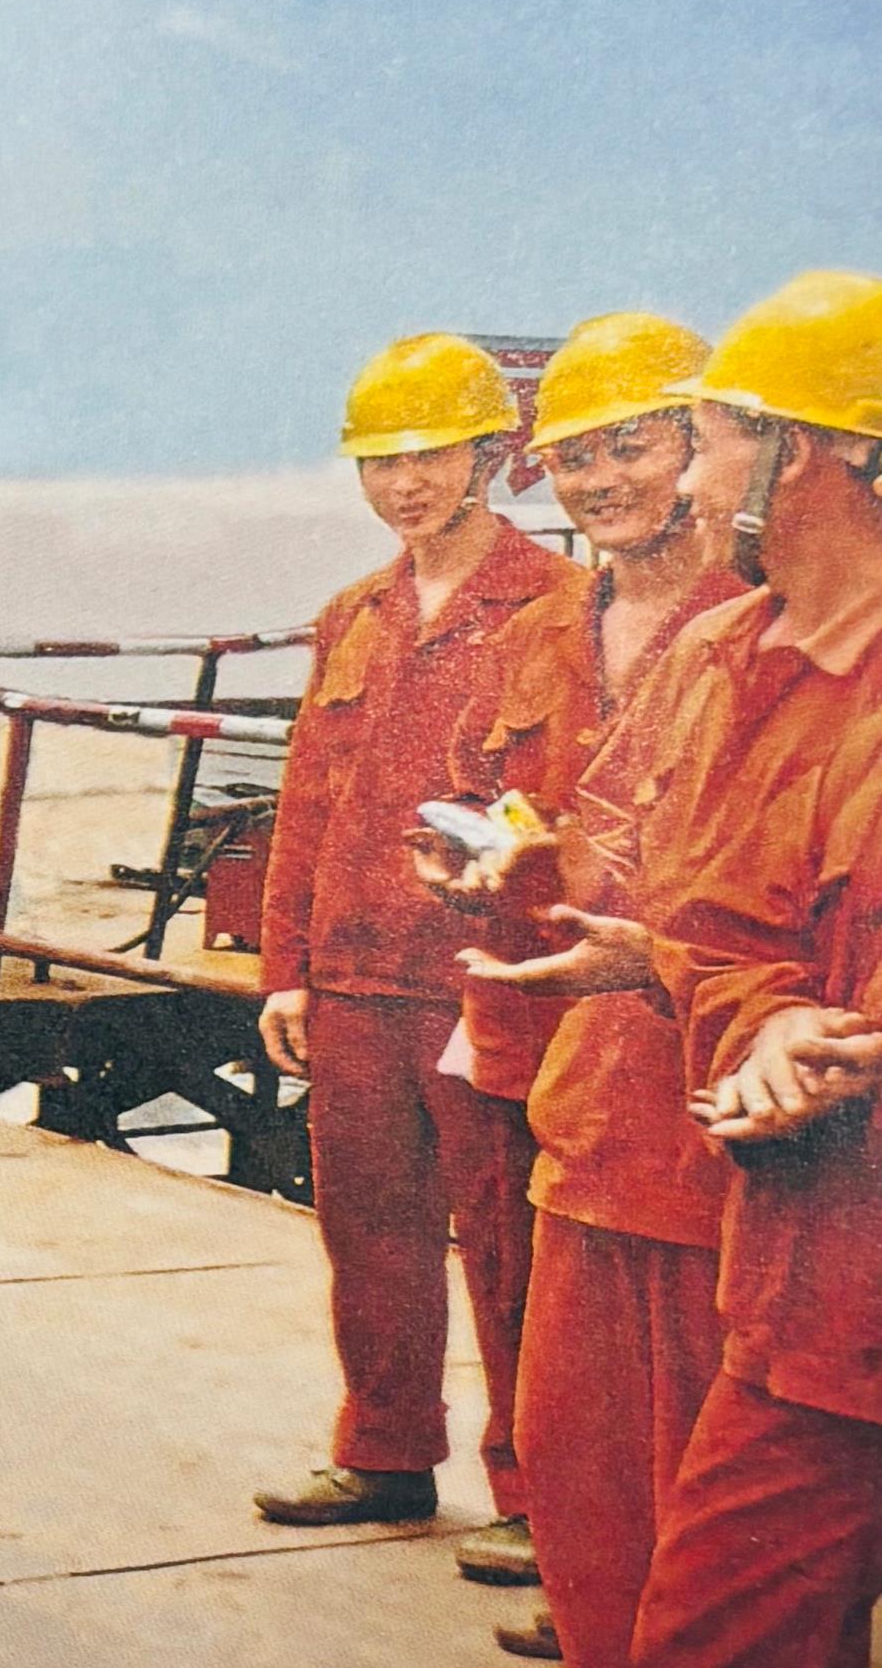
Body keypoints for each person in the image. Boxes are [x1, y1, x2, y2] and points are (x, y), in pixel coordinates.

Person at [473, 271, 882, 1668]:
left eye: (692, 442)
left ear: (805, 452)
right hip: (777, 1243)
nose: (687, 484)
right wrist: (652, 958)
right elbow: (717, 919)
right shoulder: (730, 650)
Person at [424, 313, 740, 1663]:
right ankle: (599, 1592)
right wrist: (474, 860)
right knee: (574, 1394)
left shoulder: (764, 616)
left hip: (715, 1061)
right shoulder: (549, 624)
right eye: (574, 456)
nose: (602, 480)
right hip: (559, 1047)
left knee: (710, 1397)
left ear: (704, 447)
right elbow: (497, 792)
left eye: (633, 445)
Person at [252, 334, 584, 1568]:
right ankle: (384, 1453)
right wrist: (284, 970)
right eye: (381, 461)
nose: (405, 483)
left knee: (511, 1243)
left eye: (431, 454)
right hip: (351, 978)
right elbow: (306, 804)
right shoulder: (353, 615)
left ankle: (536, 1495)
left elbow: (567, 802)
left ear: (489, 454)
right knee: (368, 1232)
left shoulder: (557, 607)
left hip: (478, 978)